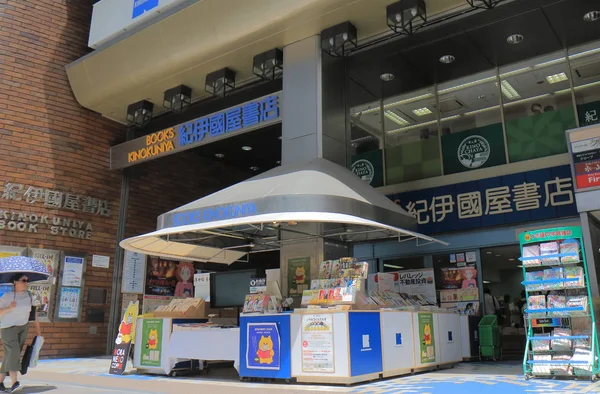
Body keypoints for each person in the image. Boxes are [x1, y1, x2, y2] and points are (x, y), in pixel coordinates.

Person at [0, 273, 42, 393]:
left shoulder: (29, 296)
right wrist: (9, 308)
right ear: (15, 282)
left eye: (27, 280)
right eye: (23, 280)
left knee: (10, 356)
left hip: (23, 327)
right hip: (8, 328)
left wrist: (38, 331)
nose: (26, 282)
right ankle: (14, 382)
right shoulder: (7, 296)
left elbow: (34, 315)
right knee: (14, 353)